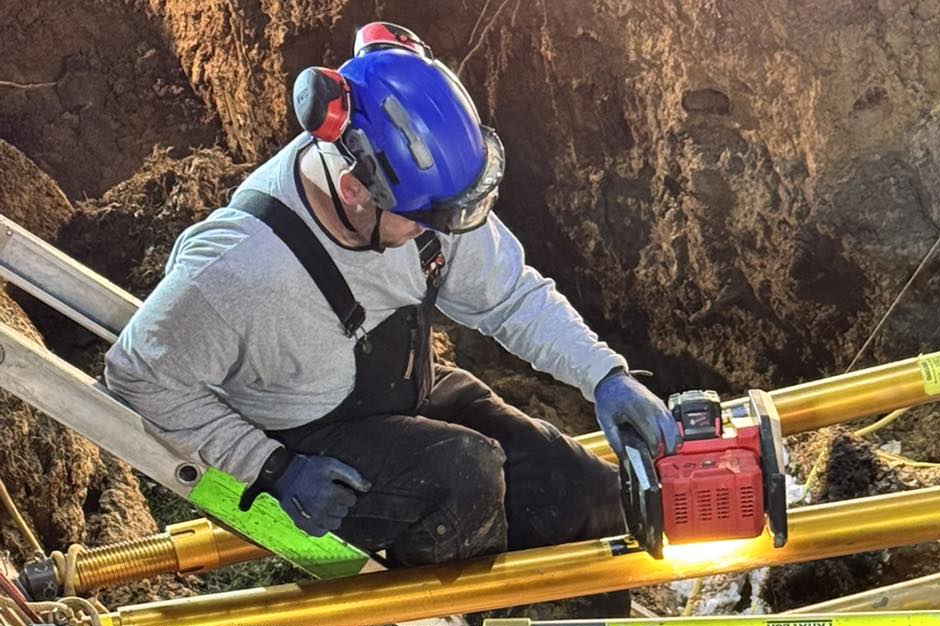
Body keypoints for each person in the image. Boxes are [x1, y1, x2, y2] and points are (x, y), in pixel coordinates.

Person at [104, 22, 680, 565]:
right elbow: (139, 375)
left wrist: (606, 376)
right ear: (355, 190)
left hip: (404, 392)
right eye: (424, 220)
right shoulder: (236, 271)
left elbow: (510, 297)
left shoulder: (421, 193)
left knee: (579, 487)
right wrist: (272, 468)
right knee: (463, 474)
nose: (443, 233)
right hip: (313, 443)